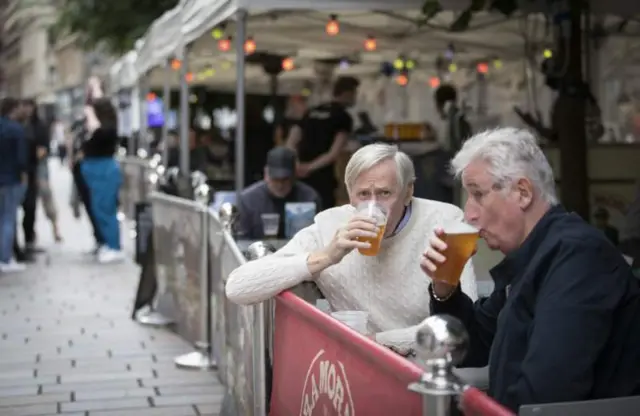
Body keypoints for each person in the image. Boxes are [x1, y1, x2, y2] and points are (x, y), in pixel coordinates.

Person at [421, 128, 640, 411]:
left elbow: (546, 394)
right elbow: (472, 347)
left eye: (477, 194)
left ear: (522, 193)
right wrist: (445, 287)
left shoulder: (578, 257)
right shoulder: (533, 254)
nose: (469, 214)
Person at [226, 143, 479, 354]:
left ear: (408, 191)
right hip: (352, 370)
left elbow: (458, 325)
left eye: (384, 193)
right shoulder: (331, 226)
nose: (373, 206)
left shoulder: (444, 222)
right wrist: (325, 257)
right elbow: (238, 287)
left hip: (423, 367)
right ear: (349, 194)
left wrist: (379, 342)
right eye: (363, 195)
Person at [287, 76, 360, 210]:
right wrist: (309, 168)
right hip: (322, 176)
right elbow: (333, 152)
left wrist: (297, 164)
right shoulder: (343, 117)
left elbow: (291, 141)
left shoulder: (311, 111)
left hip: (299, 174)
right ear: (348, 93)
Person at [237, 147, 322, 239]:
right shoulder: (248, 200)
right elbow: (241, 241)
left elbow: (319, 237)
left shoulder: (309, 198)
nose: (280, 185)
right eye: (275, 179)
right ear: (266, 174)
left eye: (285, 179)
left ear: (294, 176)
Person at [80, 98, 124, 263]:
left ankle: (114, 246)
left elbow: (97, 139)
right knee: (98, 208)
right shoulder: (99, 129)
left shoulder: (107, 129)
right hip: (94, 171)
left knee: (106, 209)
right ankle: (107, 241)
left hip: (103, 171)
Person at [15, 99, 49, 258]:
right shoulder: (16, 125)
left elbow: (42, 149)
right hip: (17, 173)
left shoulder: (38, 126)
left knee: (30, 208)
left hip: (31, 171)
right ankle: (13, 246)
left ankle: (29, 240)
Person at [0, 98, 28, 272]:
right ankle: (5, 258)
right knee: (9, 218)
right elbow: (21, 158)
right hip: (11, 178)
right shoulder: (16, 129)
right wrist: (23, 174)